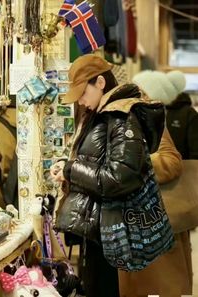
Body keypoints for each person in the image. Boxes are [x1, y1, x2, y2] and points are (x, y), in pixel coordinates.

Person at [50, 54, 165, 297]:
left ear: (100, 83)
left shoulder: (121, 118)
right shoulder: (100, 117)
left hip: (111, 229)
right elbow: (93, 163)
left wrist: (71, 170)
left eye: (83, 92)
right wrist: (66, 167)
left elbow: (118, 178)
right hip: (98, 229)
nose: (81, 101)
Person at [119, 69, 193, 296]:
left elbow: (172, 162)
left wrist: (137, 165)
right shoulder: (120, 123)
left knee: (165, 285)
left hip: (159, 215)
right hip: (131, 225)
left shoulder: (154, 123)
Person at [165, 71, 198, 159]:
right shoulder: (158, 110)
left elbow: (195, 148)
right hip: (159, 166)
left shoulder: (190, 114)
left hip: (184, 166)